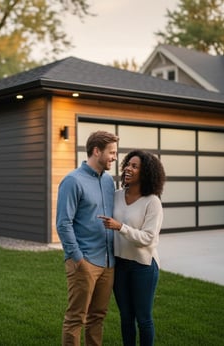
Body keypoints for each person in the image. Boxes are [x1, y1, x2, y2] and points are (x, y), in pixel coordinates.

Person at [56, 130, 119, 346]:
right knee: (76, 318)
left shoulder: (109, 182)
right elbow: (63, 223)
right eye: (111, 152)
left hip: (108, 262)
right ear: (96, 151)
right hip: (85, 261)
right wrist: (78, 259)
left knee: (97, 318)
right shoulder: (72, 181)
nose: (114, 157)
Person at [98, 150, 166, 346]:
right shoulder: (117, 196)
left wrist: (121, 227)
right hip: (119, 264)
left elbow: (149, 238)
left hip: (143, 266)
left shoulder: (152, 202)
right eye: (128, 164)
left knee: (143, 318)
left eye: (135, 166)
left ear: (146, 173)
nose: (128, 168)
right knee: (126, 317)